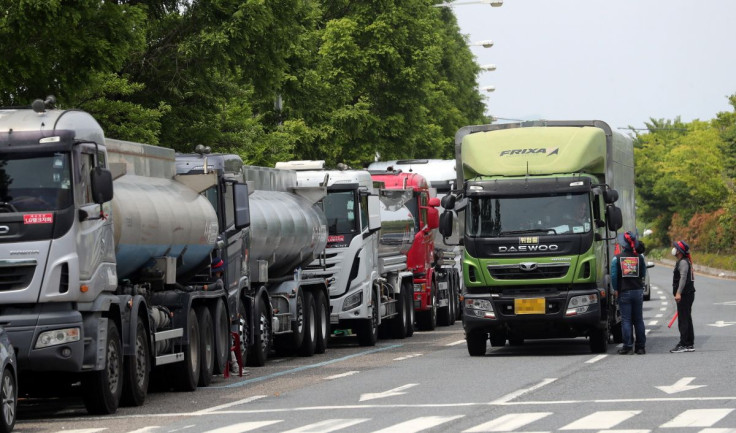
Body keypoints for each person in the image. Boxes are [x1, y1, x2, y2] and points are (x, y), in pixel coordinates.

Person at [611, 231, 647, 355]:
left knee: (626, 320)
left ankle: (627, 346)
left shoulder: (617, 258)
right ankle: (640, 347)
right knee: (638, 320)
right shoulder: (639, 257)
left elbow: (614, 276)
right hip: (638, 291)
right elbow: (643, 273)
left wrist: (616, 289)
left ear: (623, 244)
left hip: (624, 291)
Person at [670, 240, 696, 353]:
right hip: (687, 294)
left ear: (679, 251)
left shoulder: (683, 263)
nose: (673, 249)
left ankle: (684, 344)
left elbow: (683, 278)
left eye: (675, 247)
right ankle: (689, 343)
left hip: (685, 295)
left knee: (683, 320)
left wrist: (678, 293)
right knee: (687, 318)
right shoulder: (683, 261)